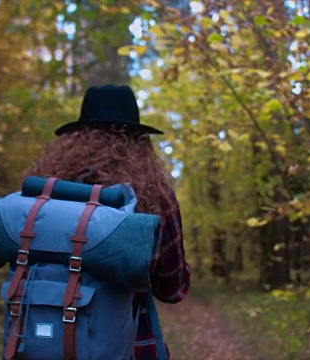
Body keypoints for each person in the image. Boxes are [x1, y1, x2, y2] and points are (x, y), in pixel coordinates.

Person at [27, 84, 190, 359]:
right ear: (139, 140)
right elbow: (172, 288)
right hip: (130, 347)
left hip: (46, 341)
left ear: (76, 137)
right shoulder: (155, 194)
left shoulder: (46, 193)